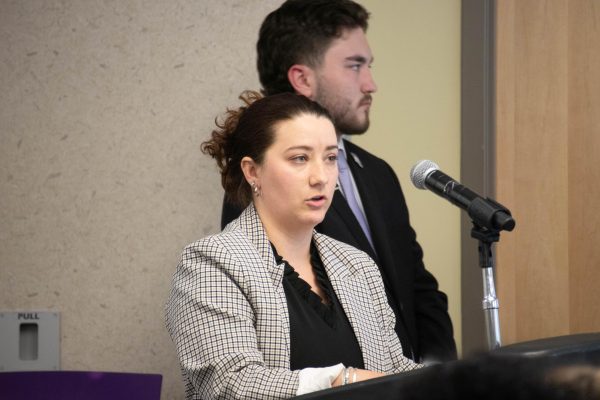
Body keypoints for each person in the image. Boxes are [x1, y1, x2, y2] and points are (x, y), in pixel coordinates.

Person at [220, 0, 457, 363]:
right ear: (302, 79)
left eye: (369, 66)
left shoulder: (377, 174)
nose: (371, 84)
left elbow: (417, 288)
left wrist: (437, 372)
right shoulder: (261, 186)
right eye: (354, 65)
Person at [166, 91, 420, 400]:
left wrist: (459, 380)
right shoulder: (212, 263)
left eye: (330, 158)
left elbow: (395, 368)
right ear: (252, 171)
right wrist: (341, 379)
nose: (321, 177)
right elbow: (230, 385)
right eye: (300, 158)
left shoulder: (358, 264)